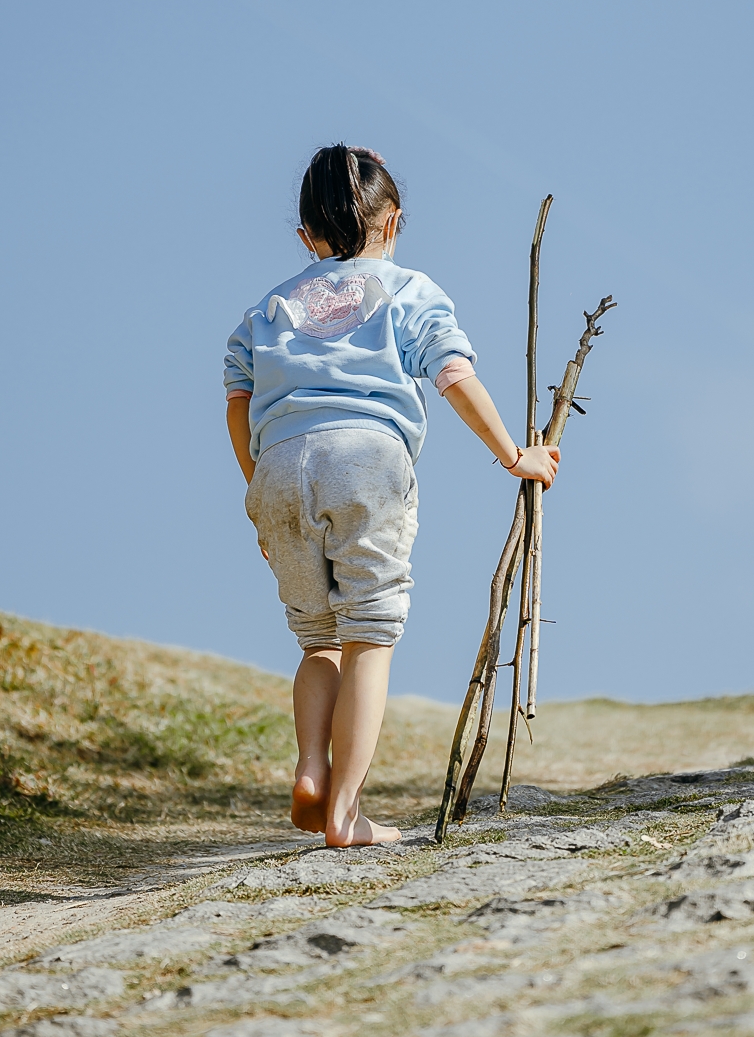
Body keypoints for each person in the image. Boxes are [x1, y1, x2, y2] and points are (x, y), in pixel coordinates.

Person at [224, 143, 559, 847]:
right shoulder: (410, 292)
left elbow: (238, 400)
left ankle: (312, 766)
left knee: (318, 641)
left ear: (305, 237)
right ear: (394, 222)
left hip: (279, 466)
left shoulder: (268, 309)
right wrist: (514, 455)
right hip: (366, 459)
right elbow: (455, 376)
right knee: (369, 638)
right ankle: (345, 814)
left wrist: (259, 493)